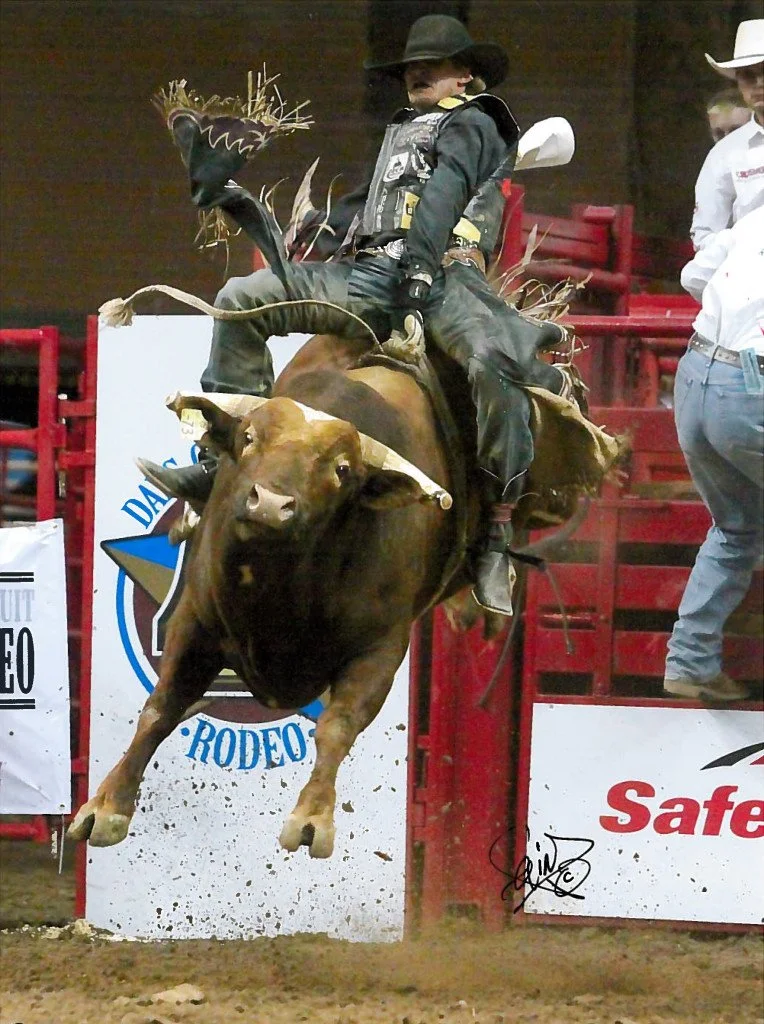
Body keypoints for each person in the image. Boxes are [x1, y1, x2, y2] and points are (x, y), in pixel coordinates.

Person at [141, 14, 574, 617]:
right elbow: (366, 207)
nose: (416, 74)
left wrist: (420, 265)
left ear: (465, 75)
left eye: (432, 66)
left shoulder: (478, 122)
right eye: (410, 68)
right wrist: (244, 202)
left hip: (448, 281)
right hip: (372, 276)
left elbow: (447, 192)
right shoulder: (404, 131)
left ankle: (496, 531)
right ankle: (224, 466)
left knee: (492, 364)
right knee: (241, 298)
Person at [664, 204, 764, 702]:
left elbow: (694, 275)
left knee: (736, 525)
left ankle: (691, 661)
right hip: (752, 389)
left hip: (696, 374)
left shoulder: (755, 218)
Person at [690, 18, 764, 250]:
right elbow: (705, 235)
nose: (759, 83)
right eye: (749, 76)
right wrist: (744, 249)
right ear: (739, 83)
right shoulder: (724, 154)